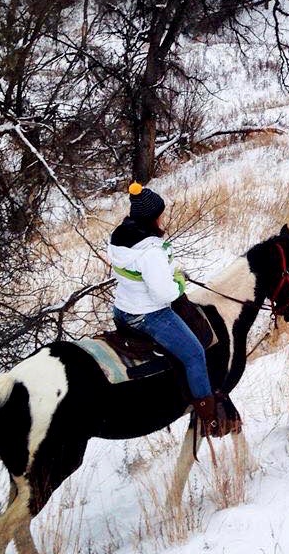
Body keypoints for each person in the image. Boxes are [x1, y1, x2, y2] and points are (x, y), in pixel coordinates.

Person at [109, 183, 220, 434]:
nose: (162, 217)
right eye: (160, 213)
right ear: (152, 218)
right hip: (148, 315)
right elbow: (165, 293)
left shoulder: (120, 237)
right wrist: (179, 282)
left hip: (122, 309)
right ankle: (208, 414)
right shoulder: (150, 252)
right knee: (194, 354)